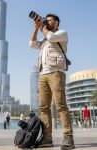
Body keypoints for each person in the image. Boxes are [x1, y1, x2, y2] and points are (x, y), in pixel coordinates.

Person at [29, 13, 75, 150]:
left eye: (48, 20)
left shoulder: (62, 33)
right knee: (44, 107)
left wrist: (42, 25)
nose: (46, 22)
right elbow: (31, 44)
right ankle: (47, 138)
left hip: (56, 73)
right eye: (45, 20)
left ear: (56, 23)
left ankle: (68, 138)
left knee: (60, 105)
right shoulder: (43, 39)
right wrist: (37, 28)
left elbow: (51, 36)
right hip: (43, 74)